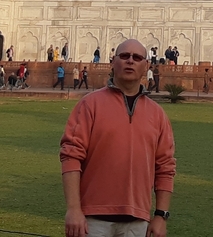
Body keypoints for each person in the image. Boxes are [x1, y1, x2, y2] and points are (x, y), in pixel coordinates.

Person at [60, 40, 175, 237]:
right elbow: (71, 156)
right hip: (92, 219)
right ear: (113, 62)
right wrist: (73, 209)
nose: (130, 61)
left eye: (137, 58)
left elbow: (165, 167)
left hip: (137, 222)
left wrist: (160, 216)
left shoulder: (157, 115)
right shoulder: (90, 104)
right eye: (124, 56)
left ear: (146, 66)